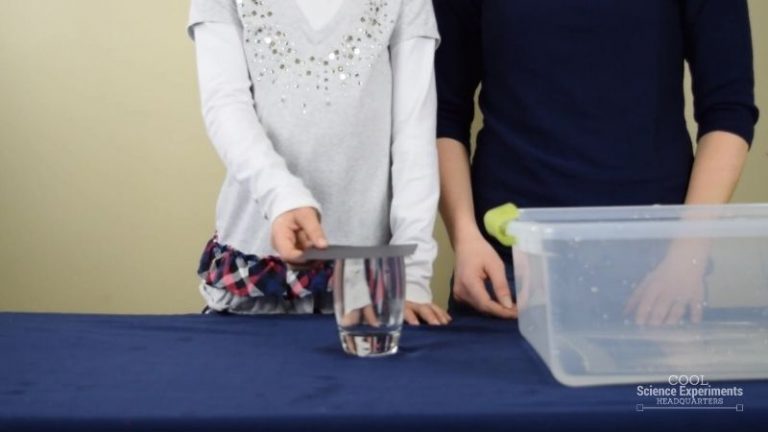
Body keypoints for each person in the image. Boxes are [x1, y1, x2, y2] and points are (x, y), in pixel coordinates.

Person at [434, 0, 759, 323]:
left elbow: (728, 112)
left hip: (654, 273)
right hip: (509, 268)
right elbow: (442, 114)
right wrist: (465, 237)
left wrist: (688, 254)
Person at [188, 0, 450, 325]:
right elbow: (225, 105)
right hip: (255, 266)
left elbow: (414, 132)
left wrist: (413, 272)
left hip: (366, 278)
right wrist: (282, 197)